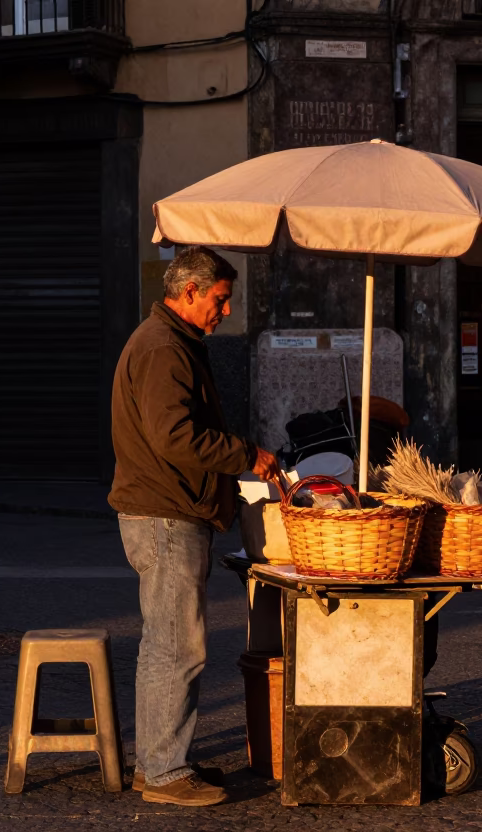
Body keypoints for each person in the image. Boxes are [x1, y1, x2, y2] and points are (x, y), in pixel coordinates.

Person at [109, 246, 280, 806]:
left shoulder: (171, 343)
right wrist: (245, 455)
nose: (225, 311)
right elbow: (173, 437)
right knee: (175, 646)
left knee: (170, 641)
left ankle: (160, 761)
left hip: (167, 510)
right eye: (220, 299)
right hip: (164, 514)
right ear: (189, 292)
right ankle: (162, 772)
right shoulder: (163, 348)